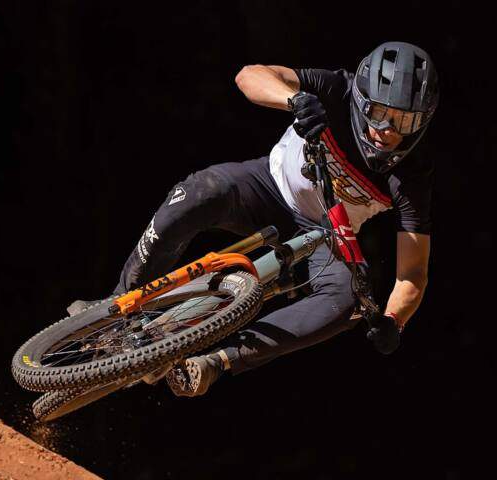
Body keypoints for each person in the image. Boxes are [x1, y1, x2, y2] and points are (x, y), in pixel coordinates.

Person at [68, 41, 439, 397]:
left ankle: (216, 363)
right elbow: (250, 75)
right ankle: (117, 305)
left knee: (348, 300)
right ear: (359, 99)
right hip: (267, 188)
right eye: (379, 112)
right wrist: (294, 99)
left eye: (404, 120)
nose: (388, 130)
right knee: (198, 192)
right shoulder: (336, 88)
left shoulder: (413, 175)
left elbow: (412, 274)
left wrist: (394, 320)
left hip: (326, 236)